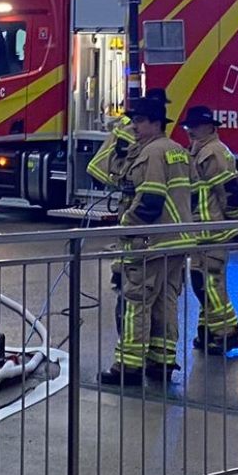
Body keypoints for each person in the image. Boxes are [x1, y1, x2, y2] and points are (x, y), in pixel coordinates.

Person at [100, 94, 193, 386]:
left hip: (150, 243)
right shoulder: (178, 150)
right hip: (177, 241)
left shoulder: (151, 153)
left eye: (139, 121)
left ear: (156, 123)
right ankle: (161, 361)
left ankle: (127, 367)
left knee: (136, 303)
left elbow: (150, 200)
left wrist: (126, 226)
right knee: (165, 302)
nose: (135, 127)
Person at [179, 105, 238, 354]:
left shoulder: (213, 152)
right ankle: (208, 331)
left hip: (213, 232)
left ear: (210, 127)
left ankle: (228, 333)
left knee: (210, 284)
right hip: (202, 232)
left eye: (196, 126)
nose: (190, 130)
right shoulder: (200, 150)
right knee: (203, 283)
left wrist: (230, 221)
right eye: (188, 126)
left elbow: (232, 192)